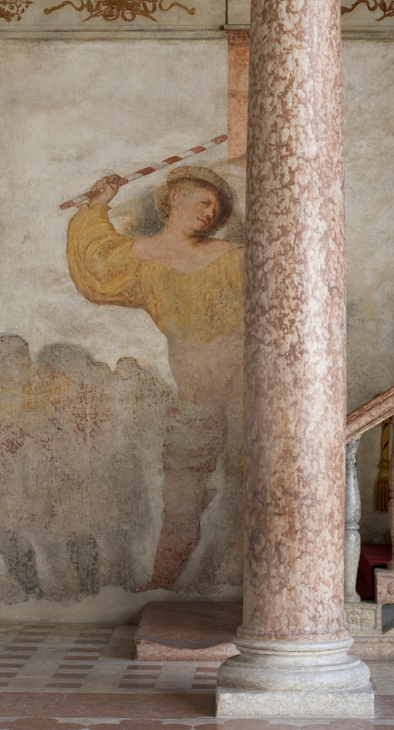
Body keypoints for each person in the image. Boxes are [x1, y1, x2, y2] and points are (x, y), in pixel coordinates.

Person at [66, 166, 243, 589]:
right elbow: (97, 266)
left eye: (215, 211)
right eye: (203, 202)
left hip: (248, 396)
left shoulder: (234, 258)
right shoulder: (142, 259)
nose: (209, 214)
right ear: (175, 196)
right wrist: (98, 206)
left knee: (258, 491)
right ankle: (162, 583)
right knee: (181, 504)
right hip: (195, 403)